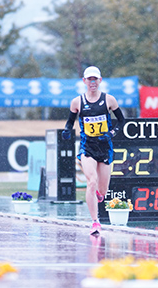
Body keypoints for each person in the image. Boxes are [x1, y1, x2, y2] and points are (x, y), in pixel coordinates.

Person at [62, 66, 125, 235]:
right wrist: (67, 130)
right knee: (91, 181)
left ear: (100, 81)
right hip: (87, 147)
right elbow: (70, 122)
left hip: (104, 148)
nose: (92, 82)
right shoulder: (77, 102)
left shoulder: (109, 100)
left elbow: (122, 121)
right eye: (89, 79)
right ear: (84, 81)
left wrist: (111, 134)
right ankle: (95, 222)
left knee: (102, 190)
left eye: (95, 79)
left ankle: (98, 194)